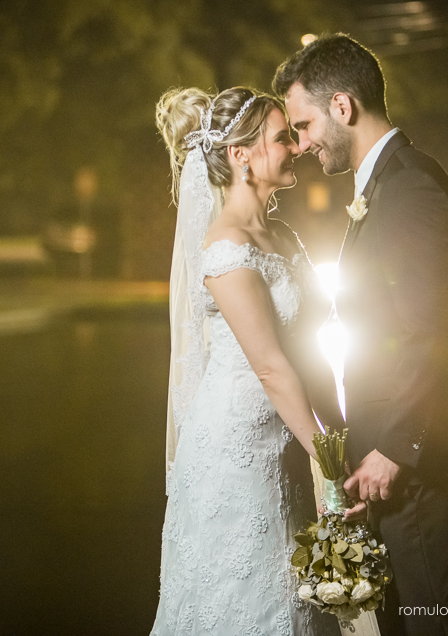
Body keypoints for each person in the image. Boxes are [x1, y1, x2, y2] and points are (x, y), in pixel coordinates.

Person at [274, 34, 448, 636]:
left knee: (440, 616)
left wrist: (396, 450)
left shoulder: (409, 187)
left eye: (303, 125)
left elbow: (431, 330)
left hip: (431, 458)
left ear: (342, 107)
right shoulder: (384, 184)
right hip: (406, 457)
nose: (301, 145)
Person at [151, 86, 347, 635]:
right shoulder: (226, 246)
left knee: (294, 594)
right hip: (236, 451)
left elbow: (309, 348)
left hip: (283, 438)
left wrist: (331, 430)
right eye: (282, 137)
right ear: (242, 156)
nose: (296, 147)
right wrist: (331, 462)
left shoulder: (281, 235)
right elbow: (270, 367)